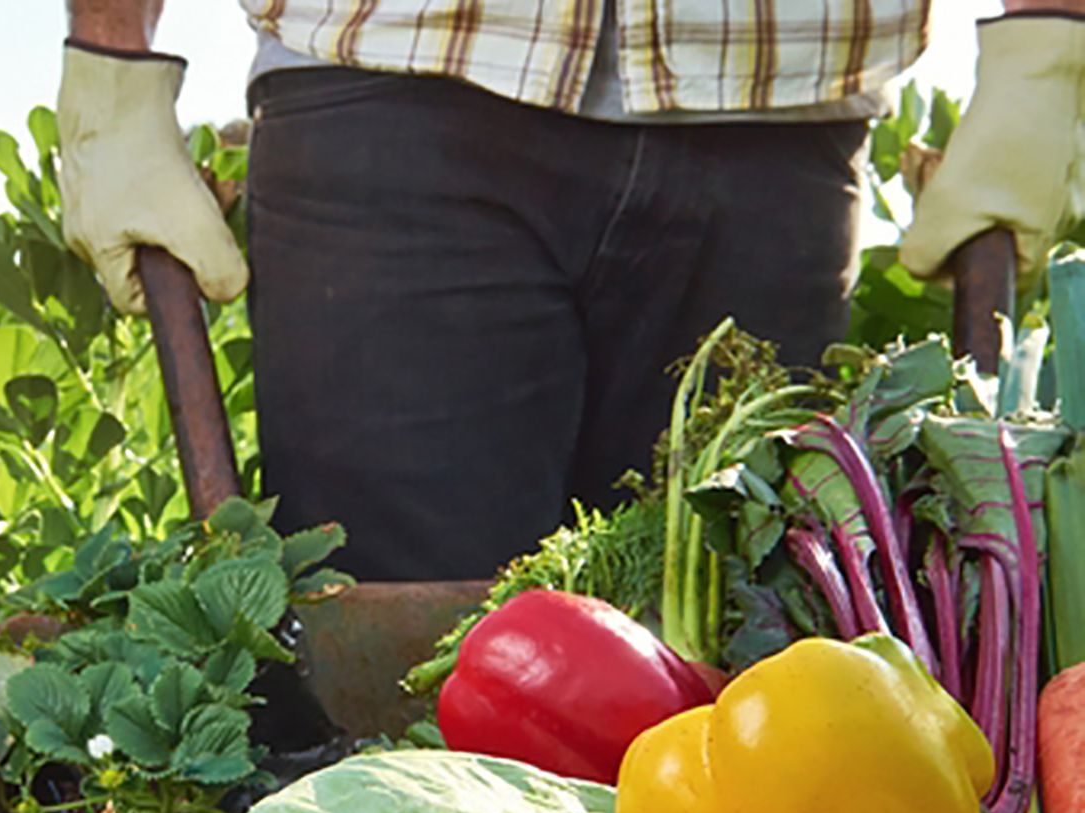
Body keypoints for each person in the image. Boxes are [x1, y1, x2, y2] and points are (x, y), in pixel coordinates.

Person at [56, 0, 1085, 582]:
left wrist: (1049, 40)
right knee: (394, 710)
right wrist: (110, 64)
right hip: (394, 87)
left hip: (776, 107)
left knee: (738, 669)